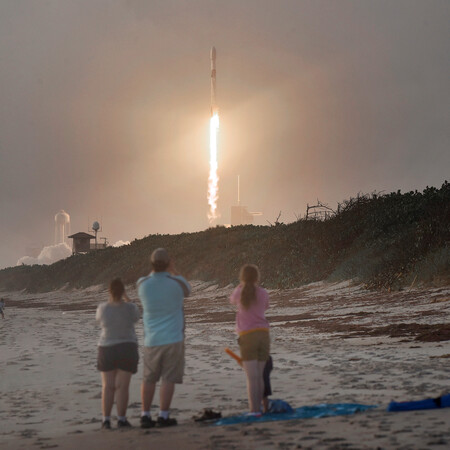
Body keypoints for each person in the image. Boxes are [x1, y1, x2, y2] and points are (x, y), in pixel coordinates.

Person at [137, 248, 191, 428]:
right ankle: (163, 415)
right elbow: (187, 290)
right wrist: (173, 270)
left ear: (152, 264)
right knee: (168, 378)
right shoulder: (178, 283)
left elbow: (147, 278)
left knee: (149, 378)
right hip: (173, 337)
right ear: (169, 263)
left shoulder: (142, 284)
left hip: (152, 339)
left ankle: (145, 415)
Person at [96, 278, 140, 429]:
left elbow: (99, 320)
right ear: (123, 292)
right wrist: (127, 298)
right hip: (127, 347)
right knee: (122, 387)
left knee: (108, 386)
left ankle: (106, 420)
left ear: (109, 292)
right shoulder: (130, 307)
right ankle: (121, 419)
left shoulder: (103, 308)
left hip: (107, 347)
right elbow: (136, 317)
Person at [230, 264, 270, 416]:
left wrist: (241, 285)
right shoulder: (263, 292)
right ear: (257, 277)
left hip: (247, 335)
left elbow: (232, 300)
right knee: (259, 376)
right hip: (263, 334)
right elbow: (266, 307)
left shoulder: (239, 291)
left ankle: (254, 410)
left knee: (251, 377)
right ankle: (259, 408)